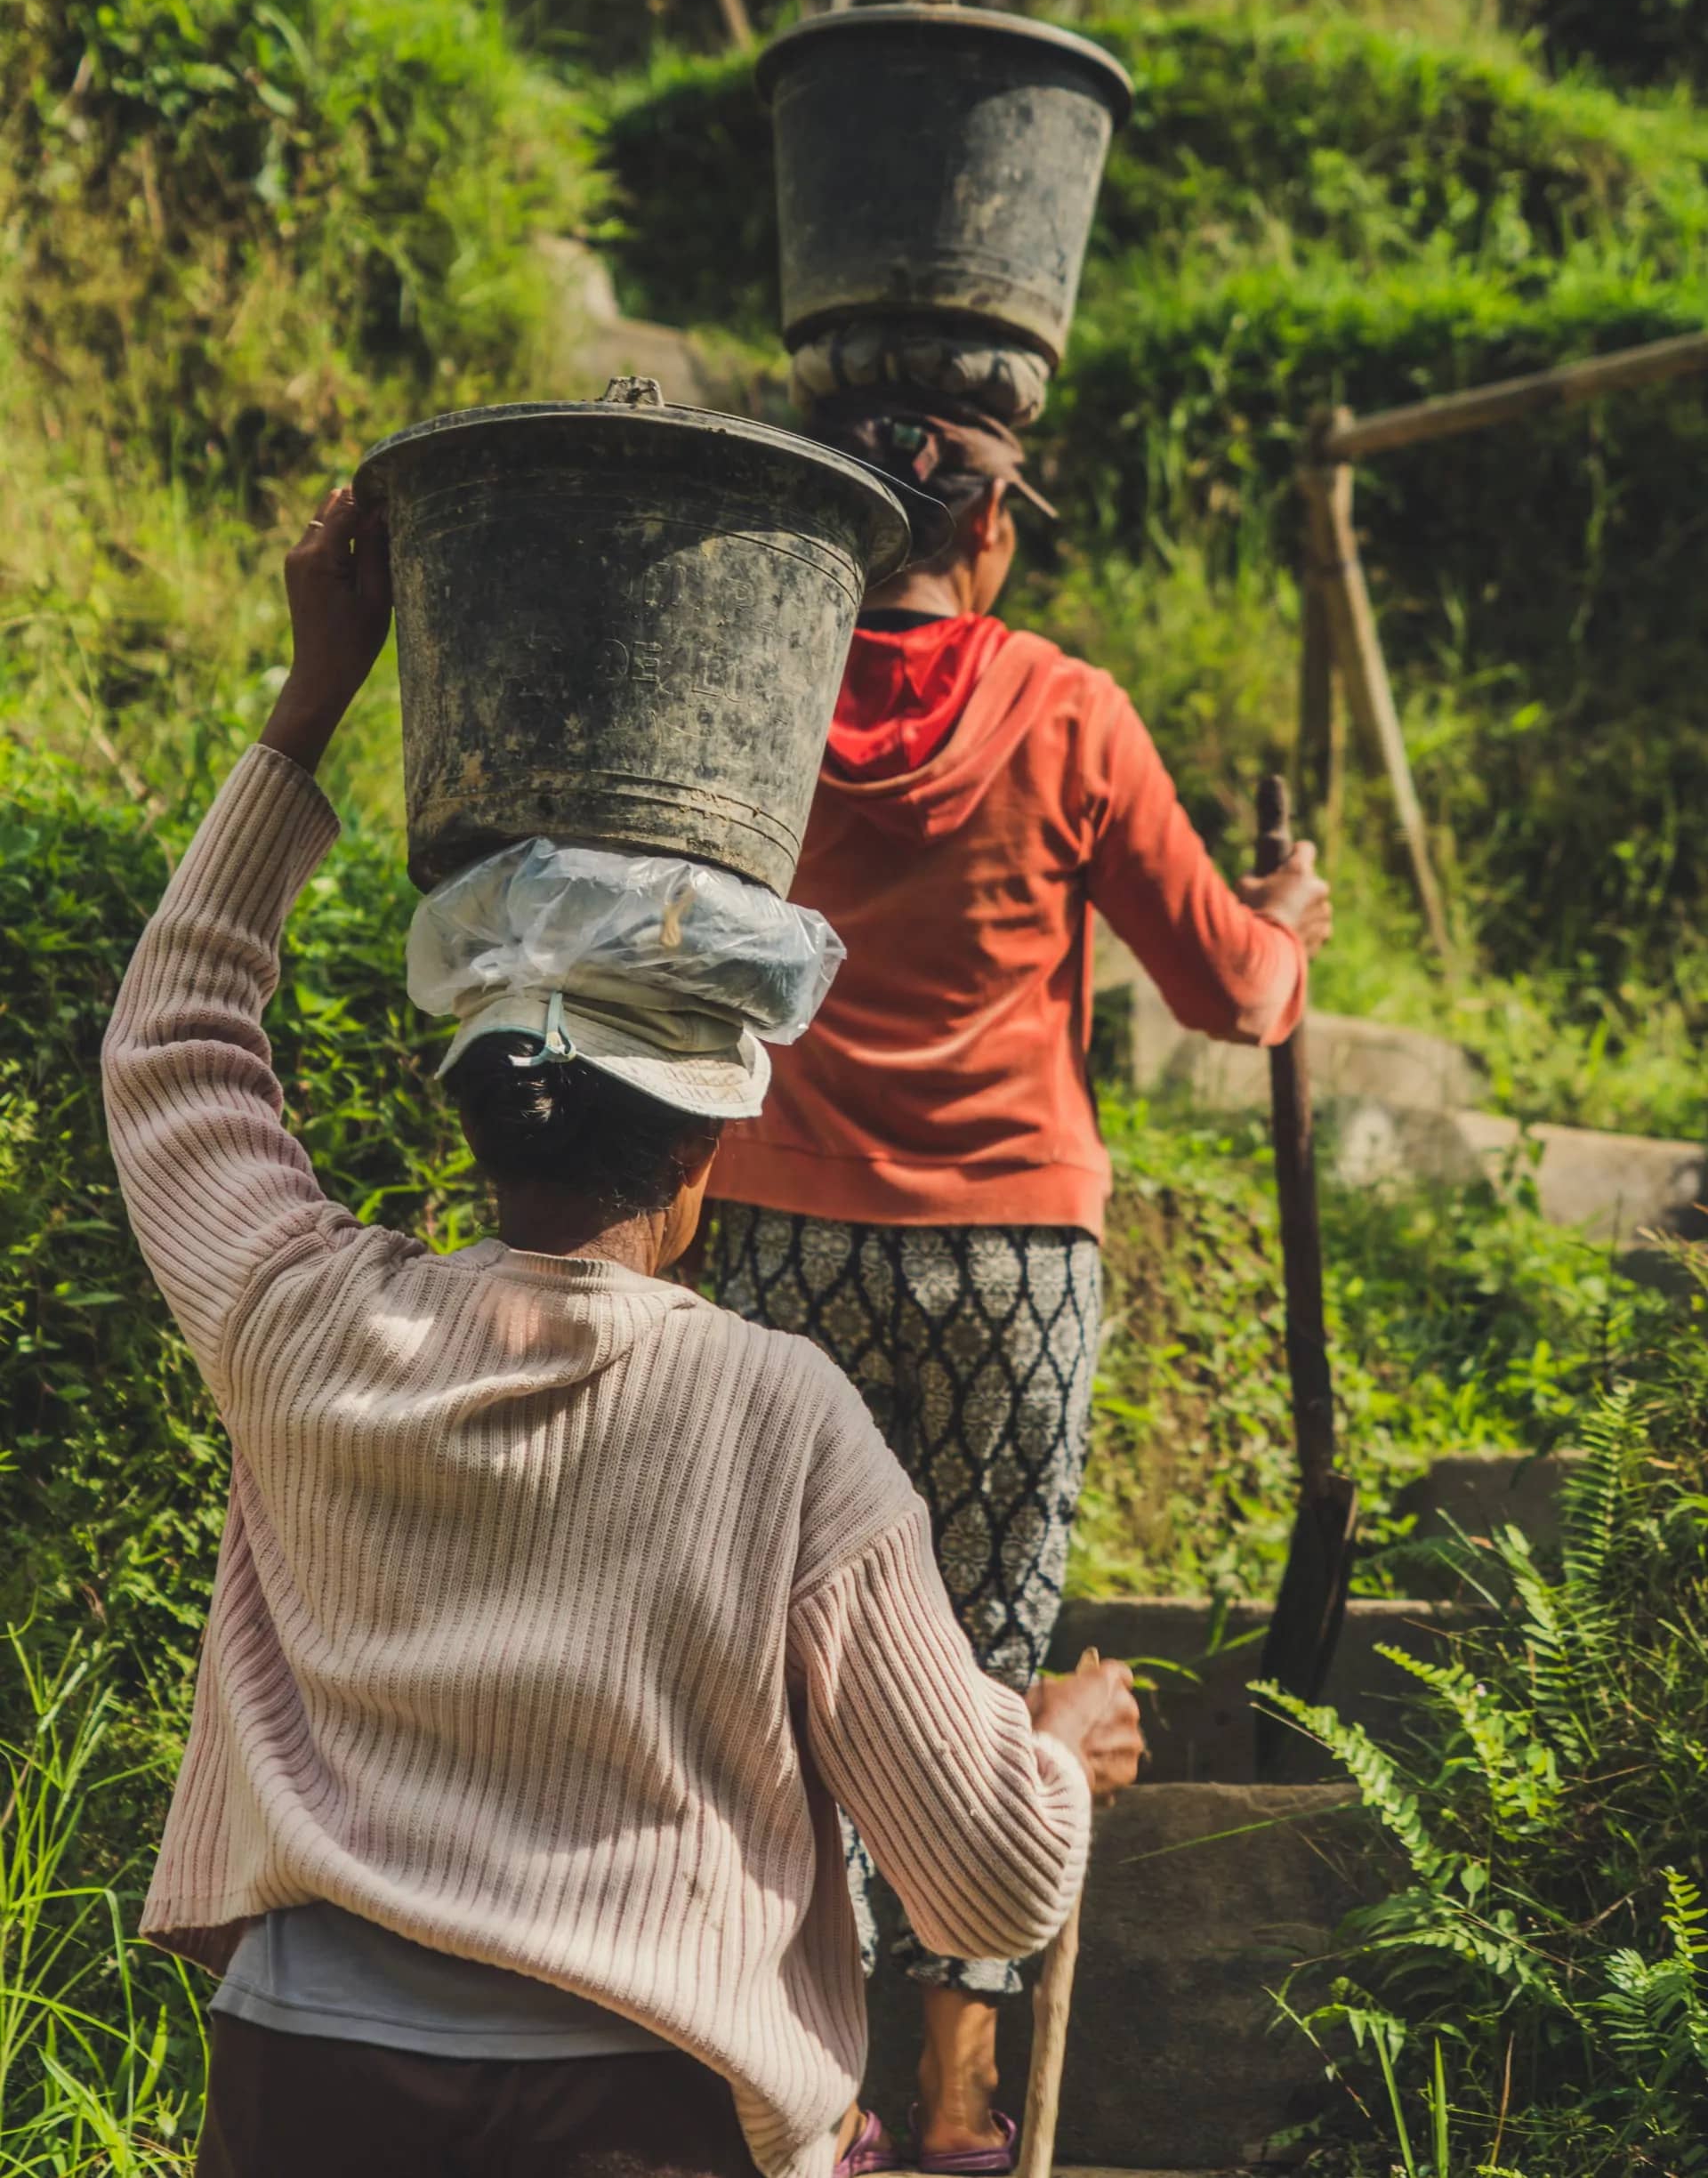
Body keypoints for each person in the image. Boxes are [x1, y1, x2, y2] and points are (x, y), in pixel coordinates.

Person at [101, 486, 1143, 2178]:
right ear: (712, 1139)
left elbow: (171, 1044)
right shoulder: (778, 1417)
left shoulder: (297, 1319)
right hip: (635, 2113)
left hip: (304, 2083)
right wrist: (1054, 1753)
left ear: (476, 1108)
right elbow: (990, 1880)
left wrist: (315, 698)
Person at [706, 399, 1333, 2174]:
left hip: (787, 1241)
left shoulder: (757, 689)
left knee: (796, 1669)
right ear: (989, 537)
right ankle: (960, 2113)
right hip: (1010, 1263)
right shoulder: (1065, 708)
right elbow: (1229, 991)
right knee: (980, 1680)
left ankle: (807, 2102)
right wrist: (1284, 920)